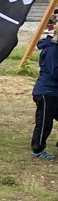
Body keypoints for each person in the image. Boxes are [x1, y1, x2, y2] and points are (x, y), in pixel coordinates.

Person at [31, 25, 58, 161]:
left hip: (54, 92)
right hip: (47, 92)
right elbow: (55, 72)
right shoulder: (52, 50)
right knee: (44, 122)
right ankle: (37, 149)